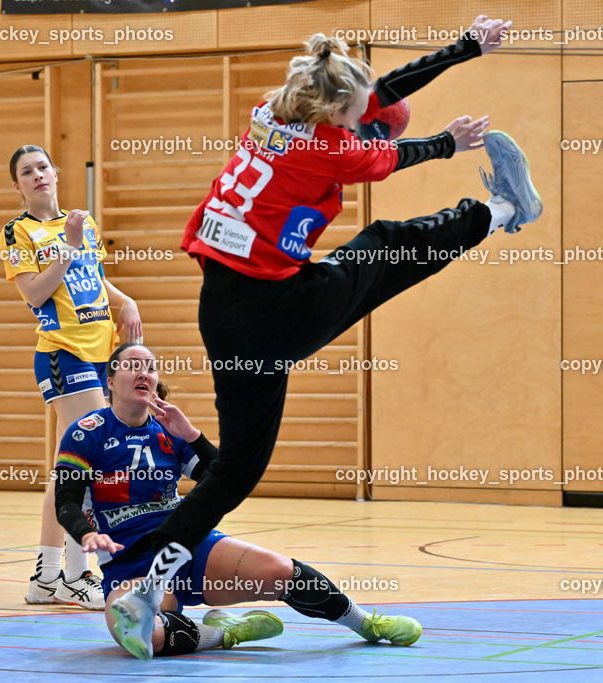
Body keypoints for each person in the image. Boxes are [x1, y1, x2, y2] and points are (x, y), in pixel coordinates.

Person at [111, 15, 543, 655]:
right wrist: (448, 141)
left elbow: (375, 97)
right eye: (351, 116)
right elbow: (392, 148)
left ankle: (149, 588)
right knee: (390, 245)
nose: (356, 119)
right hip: (282, 309)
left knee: (235, 470)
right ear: (334, 113)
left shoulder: (271, 108)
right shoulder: (333, 147)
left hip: (224, 311)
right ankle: (507, 210)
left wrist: (465, 49)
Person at [54, 343, 422, 660]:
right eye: (131, 366)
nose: (142, 373)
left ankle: (366, 623)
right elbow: (66, 500)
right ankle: (225, 633)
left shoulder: (169, 430)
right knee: (142, 638)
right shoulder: (87, 433)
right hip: (130, 567)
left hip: (190, 547)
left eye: (149, 367)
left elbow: (225, 480)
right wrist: (87, 535)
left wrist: (193, 435)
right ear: (110, 381)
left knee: (281, 571)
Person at [2, 145, 144, 609]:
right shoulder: (18, 231)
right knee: (89, 463)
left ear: (56, 173)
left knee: (70, 468)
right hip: (65, 354)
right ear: (18, 185)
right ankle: (75, 574)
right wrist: (66, 244)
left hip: (101, 354)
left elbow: (94, 277)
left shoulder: (83, 223)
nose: (38, 175)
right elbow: (36, 293)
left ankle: (46, 576)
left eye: (43, 167)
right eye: (27, 172)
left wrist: (128, 302)